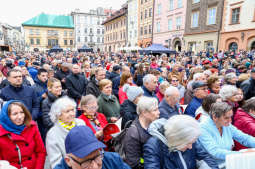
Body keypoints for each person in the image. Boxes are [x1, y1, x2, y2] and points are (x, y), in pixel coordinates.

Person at [143, 115, 219, 169]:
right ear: (176, 139)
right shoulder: (153, 146)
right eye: (188, 143)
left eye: (192, 142)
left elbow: (206, 157)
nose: (191, 147)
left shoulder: (189, 138)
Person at [198, 102, 255, 166]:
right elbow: (214, 151)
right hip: (211, 165)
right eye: (226, 118)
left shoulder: (227, 125)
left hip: (228, 162)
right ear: (215, 117)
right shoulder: (203, 128)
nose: (230, 120)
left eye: (231, 117)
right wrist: (241, 154)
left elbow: (244, 138)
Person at [53, 126, 131, 169]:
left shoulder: (113, 161)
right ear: (68, 161)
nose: (95, 167)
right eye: (86, 162)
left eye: (97, 157)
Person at [0, 101, 46, 169]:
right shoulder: (1, 134)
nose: (20, 117)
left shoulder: (32, 126)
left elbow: (41, 152)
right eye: (15, 114)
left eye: (22, 112)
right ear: (6, 116)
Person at [46, 96, 86, 169]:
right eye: (67, 111)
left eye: (72, 110)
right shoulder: (52, 134)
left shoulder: (81, 123)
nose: (71, 113)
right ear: (58, 115)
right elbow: (56, 163)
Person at [124, 96, 159, 169]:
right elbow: (134, 163)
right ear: (144, 113)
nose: (158, 112)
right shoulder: (133, 133)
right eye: (155, 110)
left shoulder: (154, 125)